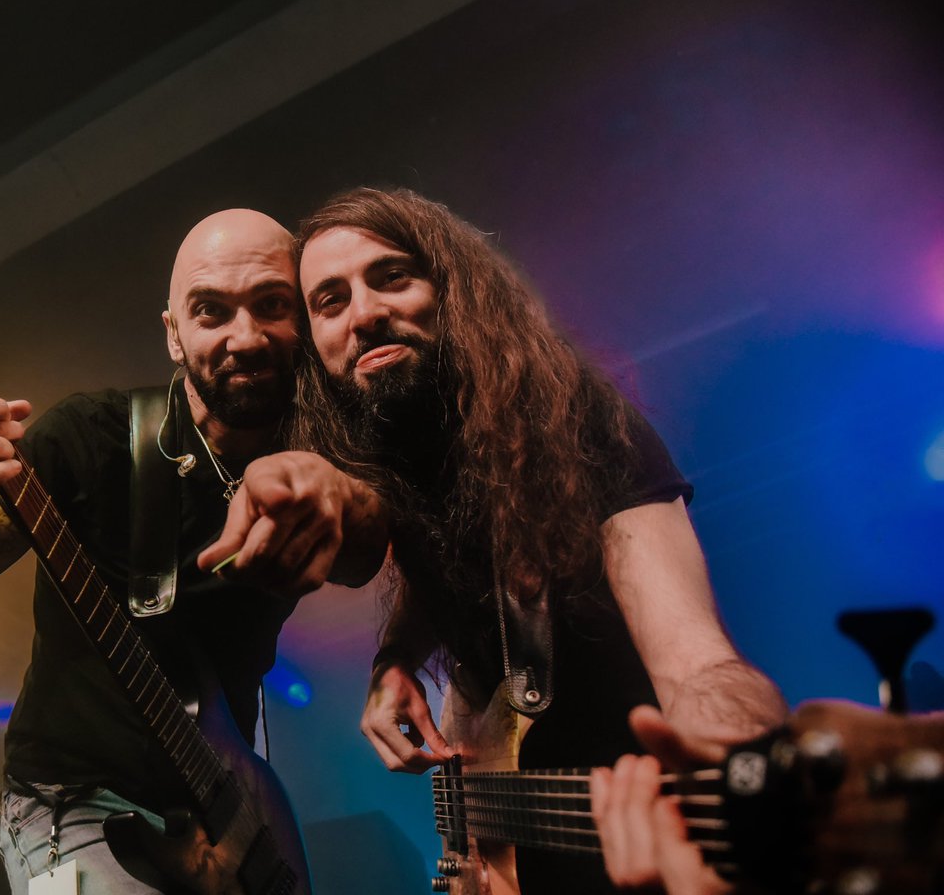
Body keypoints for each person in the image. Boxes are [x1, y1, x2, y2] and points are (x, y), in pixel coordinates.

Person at [281, 186, 787, 893]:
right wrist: (395, 657)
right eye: (330, 301)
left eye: (392, 276)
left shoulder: (577, 419)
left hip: (631, 839)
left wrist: (743, 758)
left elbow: (694, 659)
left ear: (451, 288)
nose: (364, 313)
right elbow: (444, 569)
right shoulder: (392, 455)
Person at [0, 208, 386, 895]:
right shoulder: (88, 442)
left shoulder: (323, 458)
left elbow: (376, 550)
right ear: (174, 336)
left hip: (232, 812)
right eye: (210, 312)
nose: (244, 337)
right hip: (68, 805)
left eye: (271, 305)